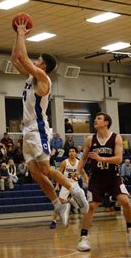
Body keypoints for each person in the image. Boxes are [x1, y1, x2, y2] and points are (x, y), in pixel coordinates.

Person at [11, 17, 88, 227]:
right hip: (27, 130)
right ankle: (58, 203)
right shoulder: (30, 78)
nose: (34, 61)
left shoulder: (43, 79)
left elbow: (23, 58)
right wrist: (17, 37)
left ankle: (75, 189)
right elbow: (15, 58)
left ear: (43, 65)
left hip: (38, 128)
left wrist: (20, 34)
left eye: (38, 60)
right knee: (36, 173)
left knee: (45, 168)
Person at [77, 112, 131, 251]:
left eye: (99, 118)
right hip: (97, 177)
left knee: (125, 201)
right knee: (91, 206)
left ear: (106, 122)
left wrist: (102, 159)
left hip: (113, 176)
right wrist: (77, 171)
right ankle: (83, 238)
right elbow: (83, 159)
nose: (95, 120)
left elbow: (119, 159)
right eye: (95, 119)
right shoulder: (90, 139)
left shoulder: (116, 137)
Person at [50, 147, 89, 229]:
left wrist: (88, 182)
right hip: (65, 185)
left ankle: (86, 219)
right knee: (59, 204)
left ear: (76, 153)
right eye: (70, 151)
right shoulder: (64, 162)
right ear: (68, 153)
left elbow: (84, 174)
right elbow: (59, 175)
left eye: (73, 151)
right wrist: (57, 185)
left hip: (75, 184)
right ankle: (53, 221)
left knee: (83, 199)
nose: (71, 152)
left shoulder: (79, 163)